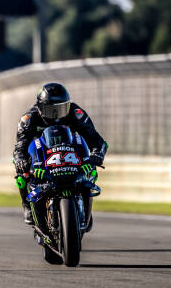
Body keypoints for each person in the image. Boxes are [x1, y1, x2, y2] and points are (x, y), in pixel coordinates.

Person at [13, 82, 108, 227]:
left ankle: (83, 205)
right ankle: (27, 206)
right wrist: (20, 160)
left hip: (71, 156)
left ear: (68, 105)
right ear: (40, 109)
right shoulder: (28, 119)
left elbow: (96, 140)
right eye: (51, 111)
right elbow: (20, 146)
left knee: (91, 171)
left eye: (61, 109)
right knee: (22, 175)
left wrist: (97, 154)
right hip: (42, 158)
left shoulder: (77, 114)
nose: (56, 116)